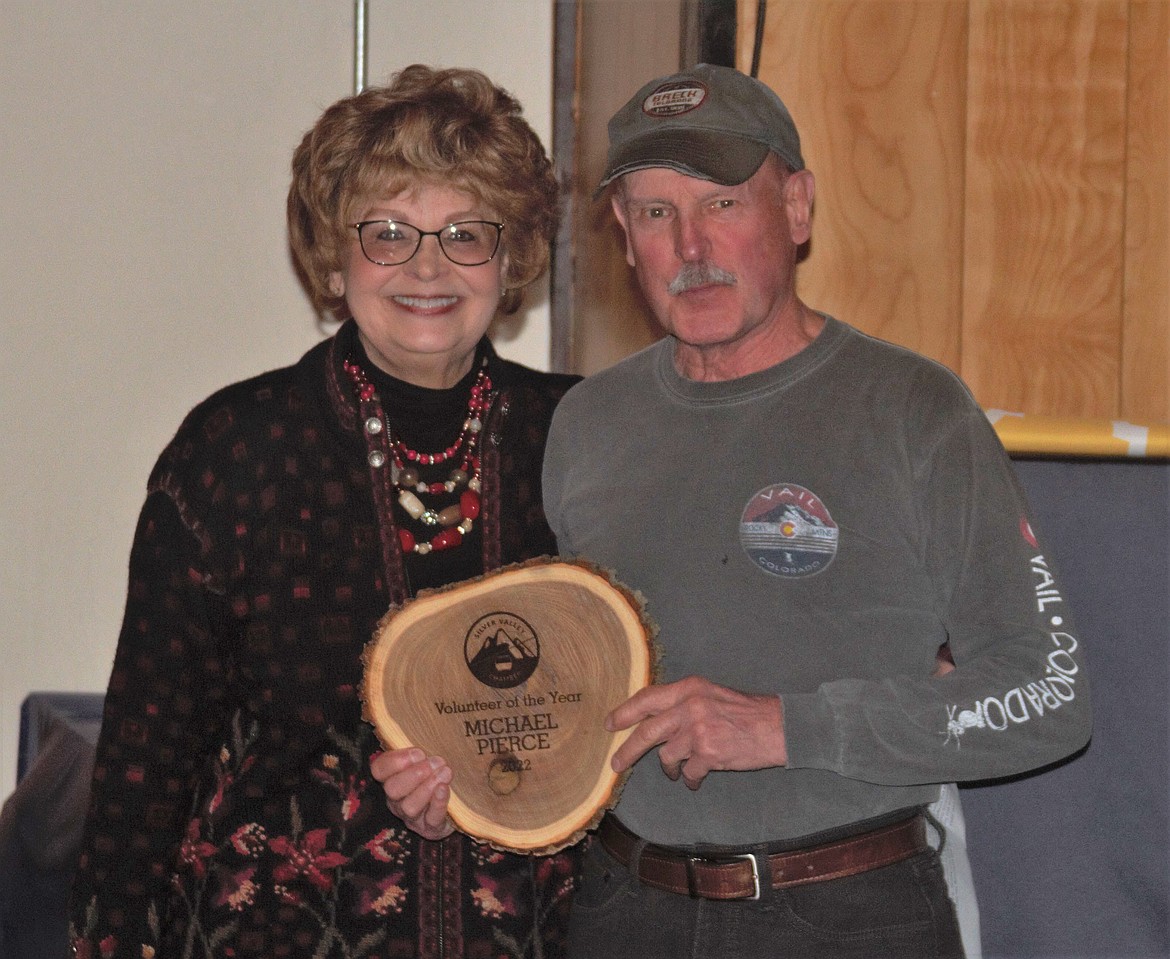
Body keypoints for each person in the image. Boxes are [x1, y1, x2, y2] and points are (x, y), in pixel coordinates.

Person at [539, 63, 1092, 958]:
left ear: (796, 208)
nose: (690, 247)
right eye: (655, 212)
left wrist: (785, 727)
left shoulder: (914, 409)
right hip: (623, 910)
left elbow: (1050, 695)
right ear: (622, 233)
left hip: (847, 914)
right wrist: (471, 771)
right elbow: (573, 699)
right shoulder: (586, 424)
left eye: (722, 202)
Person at [68, 64, 580, 958]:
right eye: (387, 233)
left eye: (465, 232)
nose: (428, 265)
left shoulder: (581, 439)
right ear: (336, 262)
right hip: (270, 931)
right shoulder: (236, 450)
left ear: (512, 258)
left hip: (536, 931)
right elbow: (142, 765)